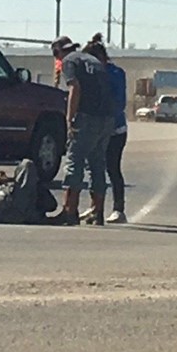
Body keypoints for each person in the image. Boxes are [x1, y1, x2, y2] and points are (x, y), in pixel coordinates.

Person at [50, 34, 113, 226]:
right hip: (107, 117)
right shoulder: (93, 60)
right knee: (97, 164)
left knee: (74, 161)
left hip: (86, 116)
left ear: (59, 52)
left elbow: (74, 88)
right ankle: (97, 211)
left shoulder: (69, 61)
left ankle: (70, 211)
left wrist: (70, 119)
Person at [82, 35, 129, 225]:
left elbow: (120, 102)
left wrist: (104, 116)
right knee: (93, 169)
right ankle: (95, 206)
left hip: (115, 130)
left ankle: (119, 209)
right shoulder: (90, 74)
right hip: (93, 129)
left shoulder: (116, 73)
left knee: (112, 167)